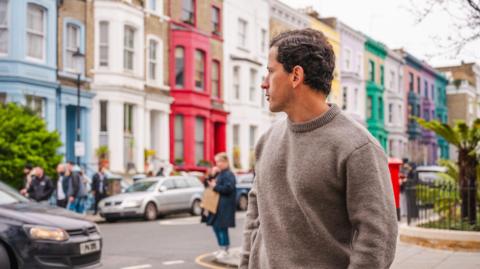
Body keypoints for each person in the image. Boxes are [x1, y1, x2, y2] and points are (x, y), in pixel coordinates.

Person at [239, 29, 397, 269]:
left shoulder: (357, 147)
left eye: (270, 72)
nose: (263, 83)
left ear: (296, 76)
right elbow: (254, 218)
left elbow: (378, 237)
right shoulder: (266, 140)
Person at [206, 153, 236, 259]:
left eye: (219, 161)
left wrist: (215, 186)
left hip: (225, 206)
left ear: (226, 162)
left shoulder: (229, 174)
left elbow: (228, 189)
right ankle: (220, 248)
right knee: (216, 227)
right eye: (216, 161)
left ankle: (225, 249)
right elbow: (208, 183)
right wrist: (212, 175)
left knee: (222, 228)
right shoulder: (220, 173)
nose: (217, 164)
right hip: (217, 205)